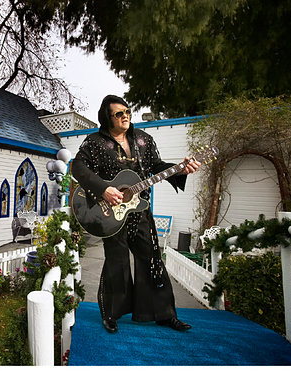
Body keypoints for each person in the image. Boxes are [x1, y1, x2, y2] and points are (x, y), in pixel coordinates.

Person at [71, 95, 200, 333]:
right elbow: (77, 167)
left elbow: (158, 166)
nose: (125, 116)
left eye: (127, 111)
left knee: (152, 261)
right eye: (118, 113)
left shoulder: (143, 140)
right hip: (110, 216)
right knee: (116, 264)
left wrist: (180, 169)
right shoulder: (95, 142)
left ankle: (164, 314)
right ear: (107, 117)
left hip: (140, 212)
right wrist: (104, 189)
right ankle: (111, 315)